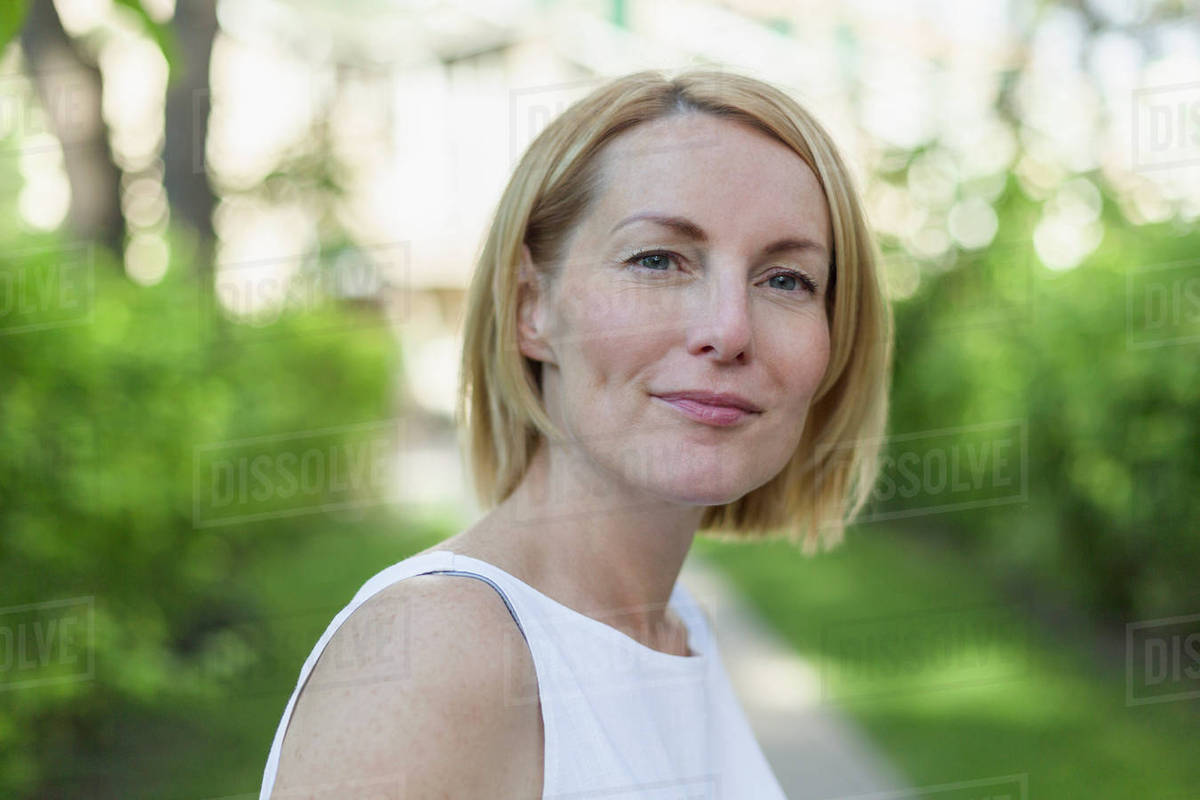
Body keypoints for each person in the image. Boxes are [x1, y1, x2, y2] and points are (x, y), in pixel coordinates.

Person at [259, 68, 892, 799]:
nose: (729, 329)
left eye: (785, 279)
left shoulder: (672, 625)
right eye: (657, 260)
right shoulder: (440, 657)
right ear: (533, 307)